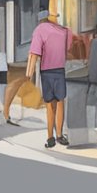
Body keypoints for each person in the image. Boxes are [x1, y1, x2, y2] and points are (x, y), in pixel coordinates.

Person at [27, 10, 72, 149]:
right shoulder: (64, 31)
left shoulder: (39, 30)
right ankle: (59, 135)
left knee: (49, 105)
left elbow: (34, 53)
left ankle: (50, 137)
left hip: (46, 71)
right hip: (60, 70)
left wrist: (29, 73)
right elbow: (68, 48)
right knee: (60, 102)